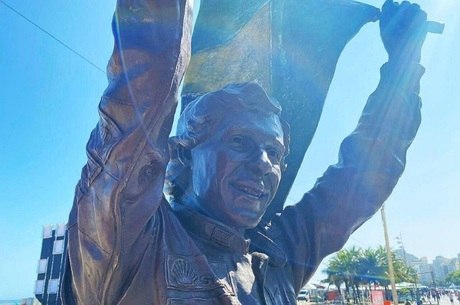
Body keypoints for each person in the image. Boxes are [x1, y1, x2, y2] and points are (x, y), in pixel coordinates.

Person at [62, 0, 430, 304]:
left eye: (274, 152)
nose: (264, 165)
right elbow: (141, 97)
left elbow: (362, 175)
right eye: (240, 142)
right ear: (185, 155)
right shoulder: (131, 238)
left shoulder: (279, 253)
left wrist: (403, 66)